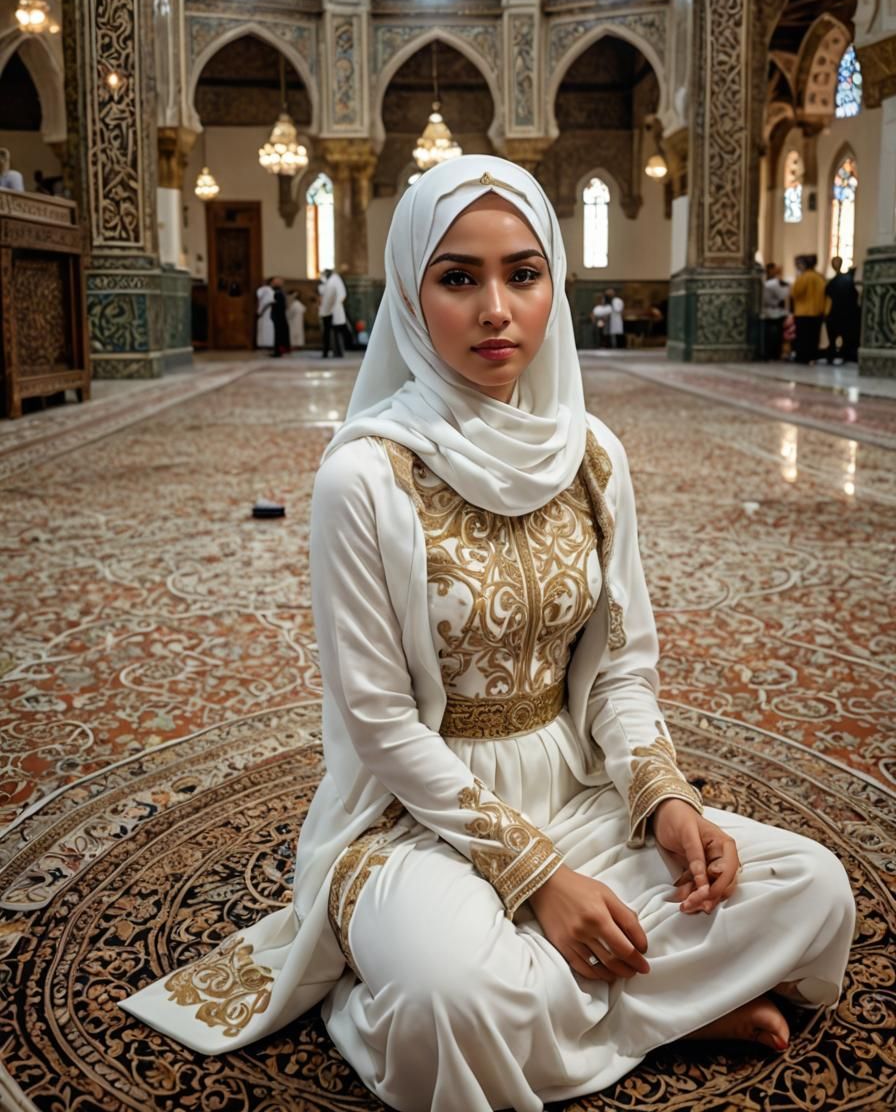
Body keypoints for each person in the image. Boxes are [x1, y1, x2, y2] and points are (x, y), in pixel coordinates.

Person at [120, 156, 855, 1112]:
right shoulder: (368, 477)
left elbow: (621, 671)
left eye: (524, 272)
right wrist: (535, 875)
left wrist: (666, 801)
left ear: (555, 282)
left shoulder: (592, 457)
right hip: (411, 816)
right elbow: (381, 726)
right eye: (459, 277)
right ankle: (657, 1006)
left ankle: (578, 1002)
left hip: (572, 787)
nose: (496, 308)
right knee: (449, 999)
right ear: (413, 294)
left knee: (816, 886)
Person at [825, 257, 861, 365]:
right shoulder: (848, 279)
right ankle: (846, 355)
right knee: (847, 338)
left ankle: (837, 355)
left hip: (837, 314)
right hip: (848, 313)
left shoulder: (833, 282)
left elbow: (828, 296)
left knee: (839, 339)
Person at [791, 254, 825, 364]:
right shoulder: (820, 277)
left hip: (803, 312)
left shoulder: (804, 277)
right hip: (817, 312)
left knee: (803, 338)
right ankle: (812, 357)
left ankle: (802, 357)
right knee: (814, 337)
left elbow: (795, 293)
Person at [761, 263, 790, 361]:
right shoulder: (772, 282)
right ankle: (773, 354)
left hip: (775, 312)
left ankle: (774, 353)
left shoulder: (773, 282)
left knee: (775, 336)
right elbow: (782, 295)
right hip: (771, 313)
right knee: (773, 336)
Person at [270, 276, 290, 356]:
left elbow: (280, 306)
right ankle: (278, 350)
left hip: (279, 316)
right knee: (278, 334)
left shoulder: (277, 293)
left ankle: (278, 351)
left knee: (278, 334)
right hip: (279, 316)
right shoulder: (277, 292)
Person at [255, 279, 275, 350]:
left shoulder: (269, 290)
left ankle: (266, 344)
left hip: (266, 313)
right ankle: (265, 344)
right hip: (265, 313)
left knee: (266, 329)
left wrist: (261, 311)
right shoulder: (265, 290)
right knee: (264, 329)